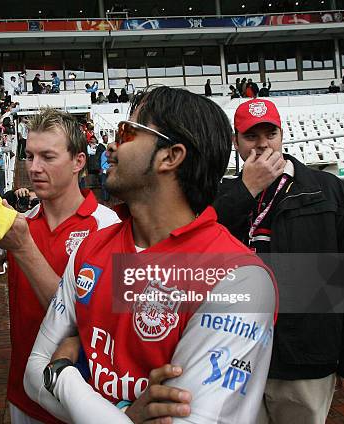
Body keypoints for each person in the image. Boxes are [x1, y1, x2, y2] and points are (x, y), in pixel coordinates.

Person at [24, 87, 277, 423]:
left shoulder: (241, 278)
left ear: (170, 156)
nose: (112, 146)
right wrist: (124, 414)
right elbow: (32, 377)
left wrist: (64, 375)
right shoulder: (91, 249)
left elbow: (47, 373)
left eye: (127, 132)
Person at [0, 108, 120, 424]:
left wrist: (23, 247)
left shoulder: (107, 226)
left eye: (47, 157)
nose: (34, 168)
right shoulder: (19, 223)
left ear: (78, 162)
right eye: (29, 156)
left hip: (87, 401)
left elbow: (87, 324)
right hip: (24, 394)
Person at [215, 98, 344, 423]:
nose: (263, 144)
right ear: (235, 142)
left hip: (305, 358)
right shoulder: (221, 194)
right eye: (251, 136)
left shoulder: (327, 190)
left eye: (270, 133)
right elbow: (199, 252)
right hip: (235, 356)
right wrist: (246, 190)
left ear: (282, 135)